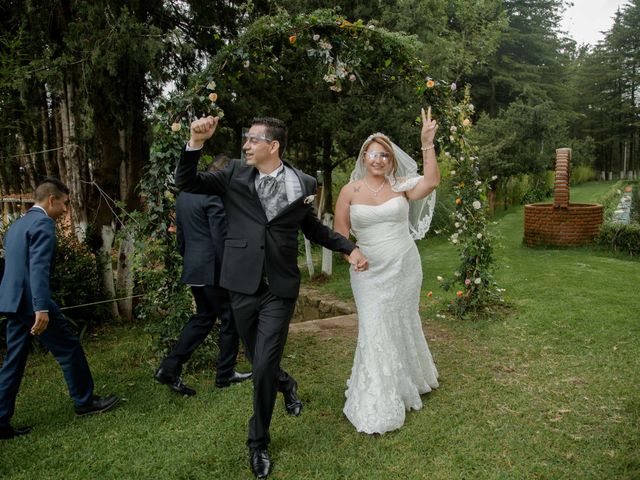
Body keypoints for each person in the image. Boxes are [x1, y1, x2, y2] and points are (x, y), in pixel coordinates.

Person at [175, 116, 368, 479]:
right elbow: (186, 182)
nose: (245, 145)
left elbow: (311, 227)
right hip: (242, 284)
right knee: (261, 359)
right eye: (245, 140)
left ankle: (258, 442)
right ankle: (286, 383)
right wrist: (195, 143)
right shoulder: (233, 173)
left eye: (252, 140)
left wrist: (348, 249)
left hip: (279, 288)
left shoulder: (304, 183)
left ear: (273, 146)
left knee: (262, 364)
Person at [334, 107, 440, 434]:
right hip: (368, 272)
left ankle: (408, 377)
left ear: (390, 160)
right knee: (374, 325)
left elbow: (433, 181)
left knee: (401, 320)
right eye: (372, 154)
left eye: (384, 155)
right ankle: (377, 397)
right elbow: (339, 234)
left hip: (405, 265)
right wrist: (352, 255)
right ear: (364, 157)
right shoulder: (349, 191)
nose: (378, 159)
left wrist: (426, 143)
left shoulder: (401, 185)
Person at [0, 178, 119, 440]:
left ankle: (0, 419)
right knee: (68, 346)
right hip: (33, 303)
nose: (66, 209)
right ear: (51, 200)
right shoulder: (43, 223)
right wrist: (41, 307)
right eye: (65, 203)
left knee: (14, 361)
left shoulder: (17, 225)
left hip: (12, 301)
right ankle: (85, 402)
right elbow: (39, 269)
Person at [155, 156, 251, 395]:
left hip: (194, 267)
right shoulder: (213, 195)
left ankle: (169, 368)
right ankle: (225, 373)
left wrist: (190, 261)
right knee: (230, 316)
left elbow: (181, 237)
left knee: (204, 317)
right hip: (213, 268)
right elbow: (219, 238)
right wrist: (230, 269)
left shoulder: (185, 195)